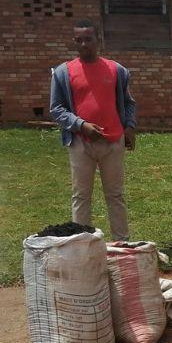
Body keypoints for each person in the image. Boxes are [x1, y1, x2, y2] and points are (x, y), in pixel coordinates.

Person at [50, 20, 137, 242]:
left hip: (113, 142)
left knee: (115, 195)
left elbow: (128, 102)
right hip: (81, 143)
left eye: (88, 39)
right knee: (81, 196)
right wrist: (81, 125)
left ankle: (122, 243)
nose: (83, 44)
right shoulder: (63, 72)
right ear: (74, 42)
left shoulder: (116, 70)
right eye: (78, 40)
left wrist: (129, 127)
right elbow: (56, 109)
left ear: (98, 40)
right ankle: (81, 243)